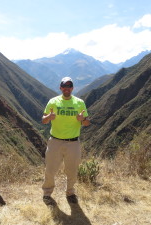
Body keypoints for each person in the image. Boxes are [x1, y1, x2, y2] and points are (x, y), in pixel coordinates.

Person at [41, 77, 90, 205]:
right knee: (50, 169)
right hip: (55, 141)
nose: (66, 88)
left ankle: (70, 192)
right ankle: (47, 193)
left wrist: (81, 119)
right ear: (60, 88)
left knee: (72, 170)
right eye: (64, 86)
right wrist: (49, 117)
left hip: (73, 142)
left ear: (72, 88)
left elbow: (87, 122)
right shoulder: (53, 101)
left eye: (69, 86)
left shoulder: (80, 103)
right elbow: (44, 120)